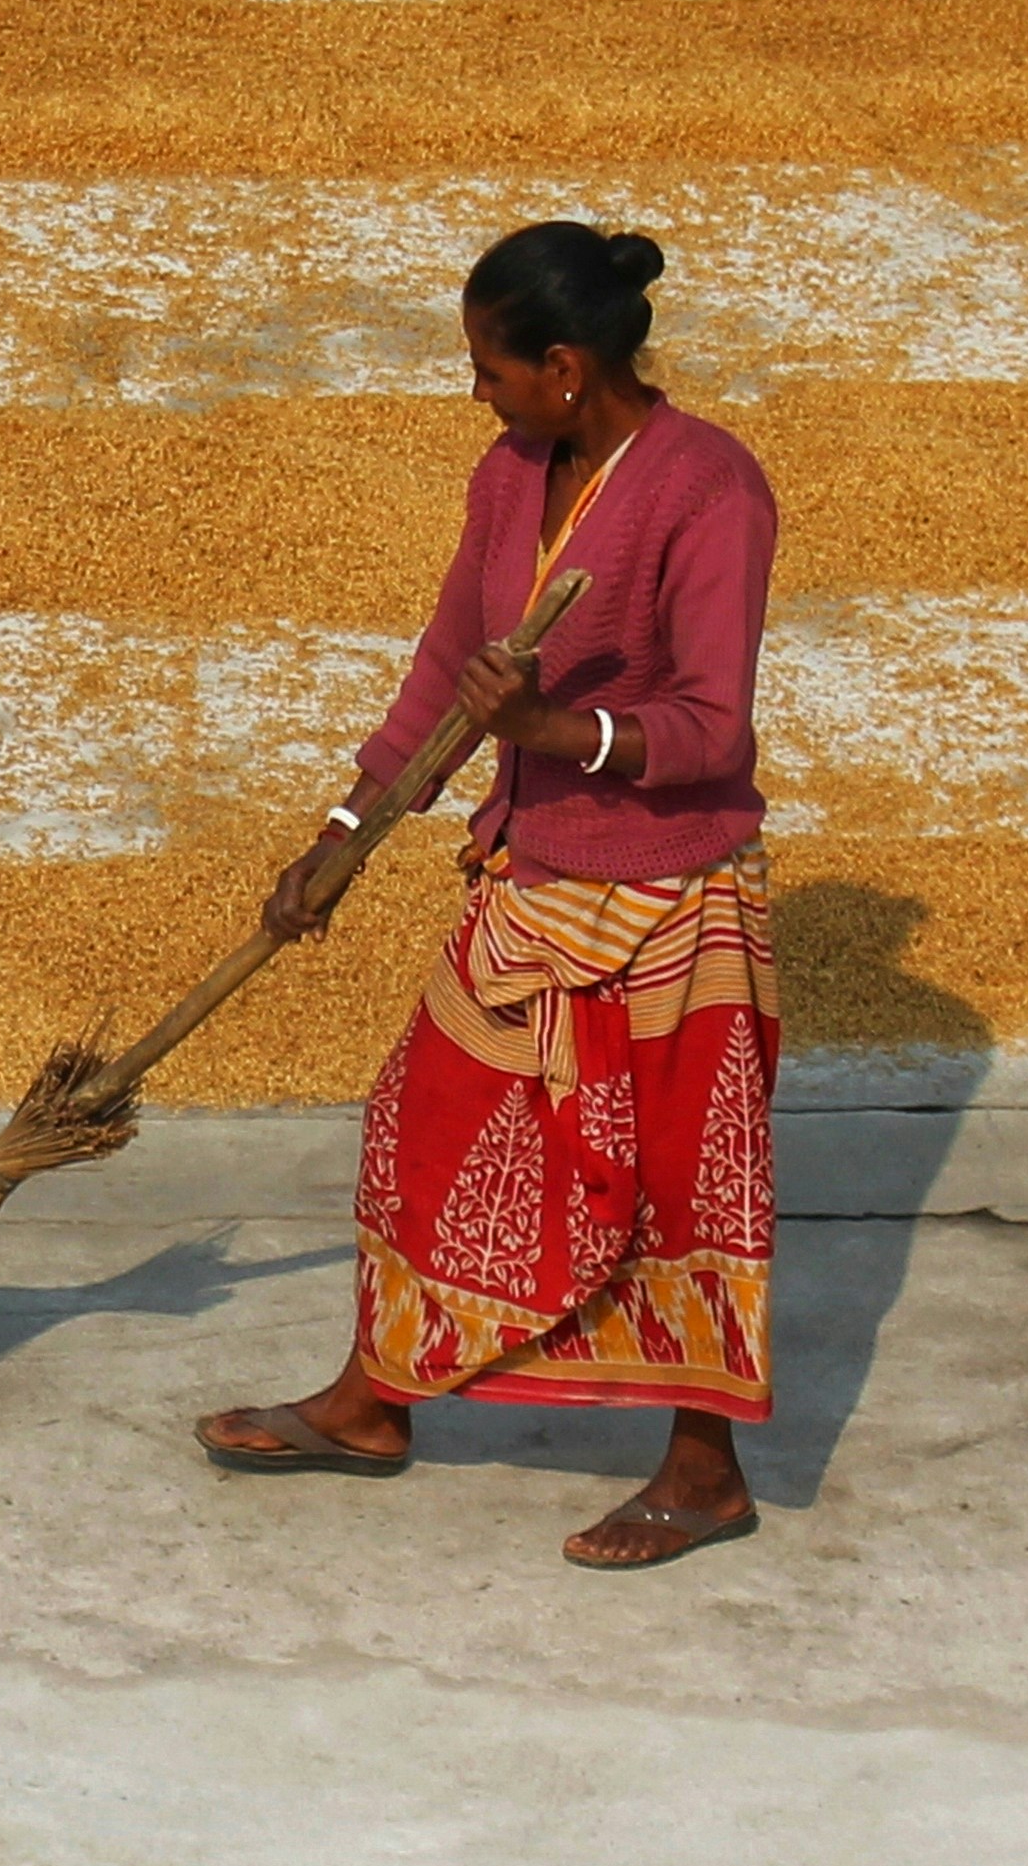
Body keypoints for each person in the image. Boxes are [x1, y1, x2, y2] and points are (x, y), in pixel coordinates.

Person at [191, 221, 782, 1571]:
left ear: (567, 366)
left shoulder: (713, 492)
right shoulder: (511, 477)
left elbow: (713, 730)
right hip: (534, 883)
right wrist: (340, 832)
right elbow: (447, 671)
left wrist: (559, 732)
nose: (480, 391)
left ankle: (705, 1471)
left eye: (492, 368)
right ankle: (373, 1403)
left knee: (683, 1191)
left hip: (675, 902)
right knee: (421, 1120)